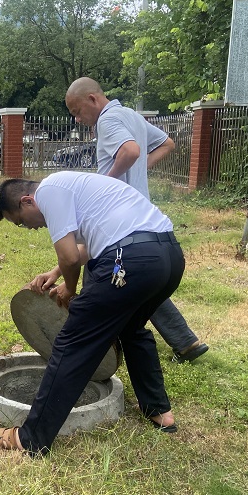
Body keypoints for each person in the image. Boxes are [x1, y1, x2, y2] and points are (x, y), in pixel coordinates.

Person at [0, 173, 185, 455]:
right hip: (169, 257)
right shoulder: (75, 187)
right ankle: (159, 411)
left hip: (130, 261)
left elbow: (70, 256)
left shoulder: (49, 191)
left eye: (20, 221)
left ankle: (30, 439)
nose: (29, 228)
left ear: (27, 201)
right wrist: (56, 272)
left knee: (73, 344)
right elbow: (96, 242)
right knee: (131, 328)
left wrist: (69, 287)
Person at [64, 77, 208, 364]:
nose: (78, 119)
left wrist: (105, 184)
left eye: (78, 112)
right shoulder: (130, 114)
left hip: (117, 213)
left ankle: (88, 346)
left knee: (104, 274)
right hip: (139, 210)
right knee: (131, 278)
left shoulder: (107, 120)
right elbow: (167, 143)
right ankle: (185, 341)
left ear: (93, 99)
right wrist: (138, 169)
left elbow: (130, 152)